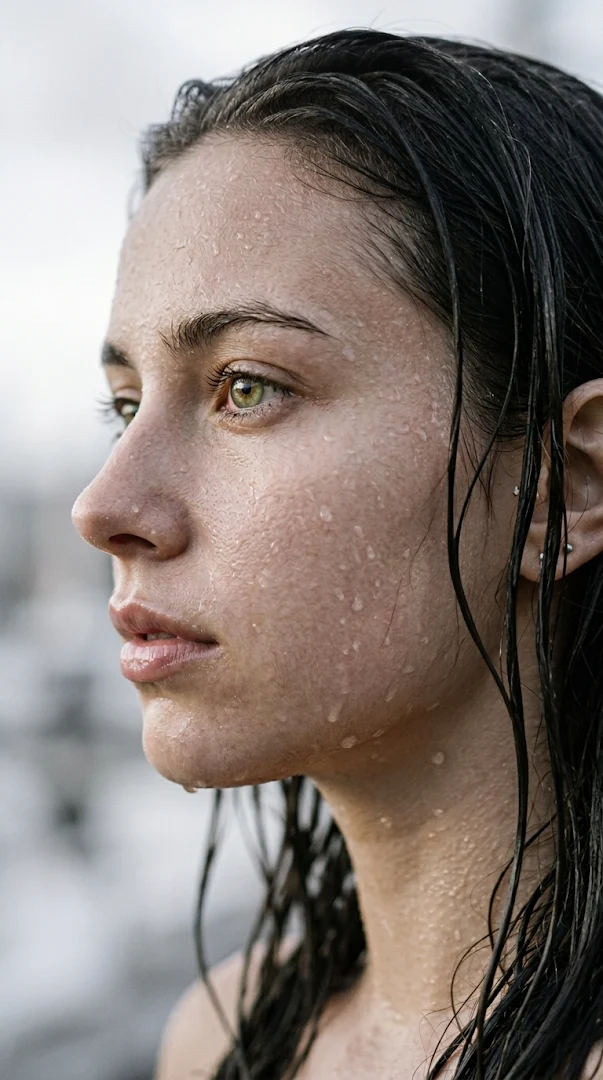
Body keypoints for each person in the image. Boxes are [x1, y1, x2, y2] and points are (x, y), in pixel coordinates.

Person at [71, 28, 603, 1080]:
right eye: (125, 405)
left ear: (566, 488)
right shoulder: (224, 1035)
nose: (106, 506)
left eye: (247, 387)